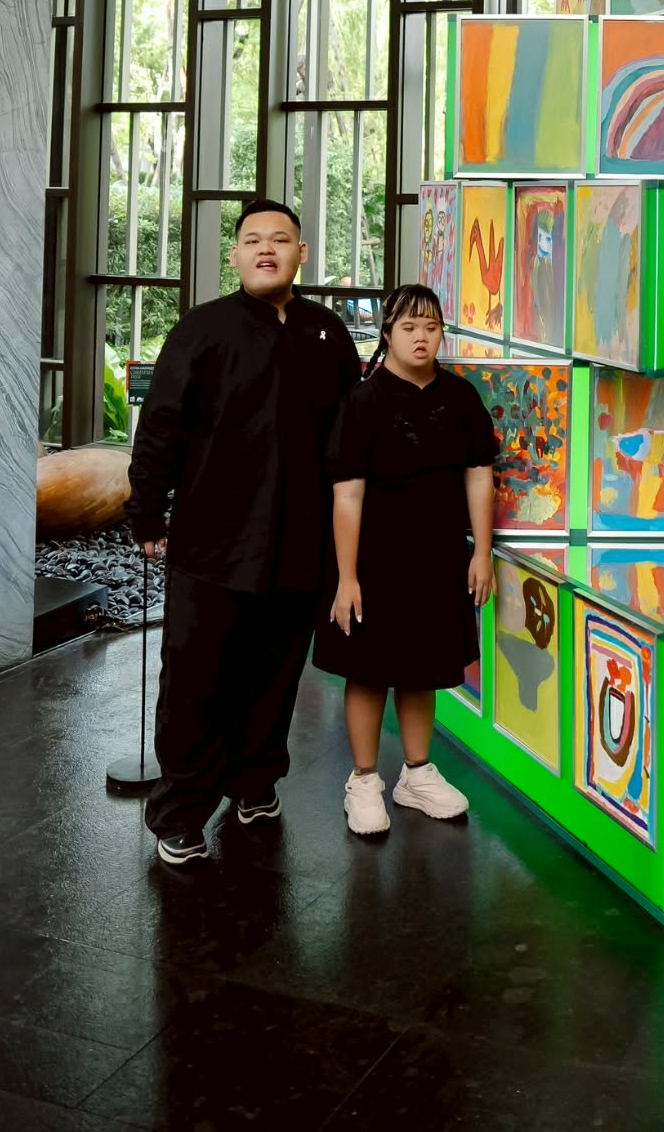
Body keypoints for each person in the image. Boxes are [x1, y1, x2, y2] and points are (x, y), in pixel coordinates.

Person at [127, 200, 361, 866]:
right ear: (234, 255)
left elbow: (351, 436)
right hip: (213, 543)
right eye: (252, 239)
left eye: (280, 239)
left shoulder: (326, 333)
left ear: (301, 253)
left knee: (275, 676)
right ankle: (179, 813)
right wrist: (147, 512)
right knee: (196, 682)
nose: (266, 249)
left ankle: (255, 784)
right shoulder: (202, 330)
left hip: (299, 542)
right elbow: (161, 426)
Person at [315, 284, 496, 836]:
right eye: (409, 327)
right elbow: (347, 495)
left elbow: (479, 476)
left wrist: (482, 552)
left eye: (431, 327)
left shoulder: (461, 397)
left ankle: (416, 775)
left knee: (423, 668)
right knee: (368, 671)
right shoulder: (363, 401)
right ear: (388, 333)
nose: (422, 338)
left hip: (438, 558)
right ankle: (364, 780)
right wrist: (346, 577)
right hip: (372, 560)